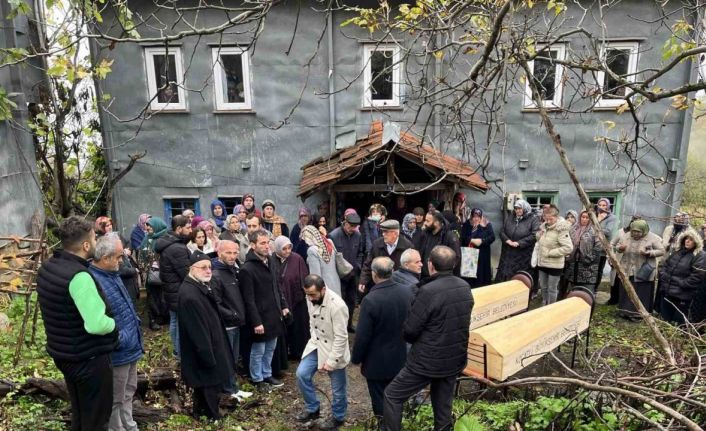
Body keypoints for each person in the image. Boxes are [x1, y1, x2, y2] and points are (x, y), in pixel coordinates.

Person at [37, 217, 117, 431]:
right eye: (94, 237)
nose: (96, 241)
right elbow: (97, 325)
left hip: (64, 354)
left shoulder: (48, 267)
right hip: (88, 358)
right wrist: (114, 325)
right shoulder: (79, 277)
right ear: (85, 245)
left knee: (81, 413)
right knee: (97, 419)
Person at [383, 246, 474, 431]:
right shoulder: (465, 287)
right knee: (443, 409)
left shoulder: (428, 291)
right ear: (454, 264)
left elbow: (410, 331)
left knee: (392, 395)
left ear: (430, 265)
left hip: (427, 361)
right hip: (453, 360)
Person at [89, 234, 143, 431]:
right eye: (119, 257)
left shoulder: (112, 274)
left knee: (129, 391)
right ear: (105, 258)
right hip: (117, 351)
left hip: (129, 346)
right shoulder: (94, 281)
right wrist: (120, 340)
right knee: (116, 398)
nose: (122, 261)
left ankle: (130, 425)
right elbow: (97, 321)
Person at [352, 257, 412, 420]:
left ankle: (384, 425)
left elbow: (363, 336)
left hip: (376, 362)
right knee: (396, 397)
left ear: (374, 274)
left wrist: (356, 358)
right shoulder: (406, 292)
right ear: (392, 272)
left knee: (380, 400)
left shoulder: (370, 300)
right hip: (400, 357)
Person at [178, 251, 234, 420]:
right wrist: (207, 356)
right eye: (203, 267)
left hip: (210, 345)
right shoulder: (190, 294)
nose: (208, 271)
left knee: (208, 384)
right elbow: (197, 331)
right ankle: (211, 416)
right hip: (204, 350)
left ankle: (203, 413)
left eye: (209, 267)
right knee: (208, 383)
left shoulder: (199, 287)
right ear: (191, 269)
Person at [295, 274, 350, 430]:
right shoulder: (310, 297)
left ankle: (338, 418)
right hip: (317, 344)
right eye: (307, 294)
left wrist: (331, 361)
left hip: (335, 349)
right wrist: (314, 339)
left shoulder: (337, 306)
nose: (310, 298)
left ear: (323, 289)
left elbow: (341, 337)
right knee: (301, 374)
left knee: (338, 389)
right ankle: (313, 408)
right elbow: (312, 323)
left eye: (313, 294)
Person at [239, 229, 290, 388]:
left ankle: (267, 374)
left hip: (274, 314)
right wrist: (256, 322)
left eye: (268, 242)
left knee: (270, 348)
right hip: (260, 317)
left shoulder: (271, 261)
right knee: (258, 351)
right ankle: (257, 379)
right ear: (253, 245)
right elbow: (248, 299)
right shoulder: (247, 269)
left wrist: (283, 306)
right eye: (262, 243)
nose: (267, 246)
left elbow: (277, 287)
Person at [210, 240, 253, 401]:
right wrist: (233, 315)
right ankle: (228, 390)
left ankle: (233, 387)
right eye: (228, 252)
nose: (232, 256)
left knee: (234, 358)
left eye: (235, 252)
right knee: (227, 359)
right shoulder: (216, 275)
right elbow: (216, 303)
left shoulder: (233, 270)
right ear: (219, 252)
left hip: (237, 323)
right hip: (228, 325)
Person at [155, 215, 193, 358]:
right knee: (179, 323)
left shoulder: (169, 243)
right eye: (188, 228)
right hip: (178, 291)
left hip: (171, 291)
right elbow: (186, 273)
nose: (191, 230)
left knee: (175, 321)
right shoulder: (177, 248)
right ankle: (180, 353)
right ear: (179, 229)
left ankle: (177, 351)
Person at [614, 219, 665, 319]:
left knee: (641, 292)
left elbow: (661, 251)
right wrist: (620, 248)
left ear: (644, 231)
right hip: (627, 268)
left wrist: (649, 253)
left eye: (638, 232)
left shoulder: (653, 238)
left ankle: (638, 314)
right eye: (633, 231)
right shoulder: (626, 236)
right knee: (626, 290)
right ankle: (624, 311)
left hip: (643, 270)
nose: (635, 234)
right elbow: (617, 246)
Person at [272, 236, 310, 359]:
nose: (288, 251)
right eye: (284, 249)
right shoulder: (271, 260)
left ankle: (298, 352)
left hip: (296, 299)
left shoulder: (297, 259)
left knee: (299, 327)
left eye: (289, 248)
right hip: (280, 300)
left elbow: (304, 277)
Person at [659, 229, 706, 324]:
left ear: (696, 242)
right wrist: (663, 276)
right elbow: (665, 265)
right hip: (667, 291)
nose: (687, 241)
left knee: (678, 323)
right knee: (665, 321)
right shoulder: (677, 252)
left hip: (682, 295)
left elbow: (697, 276)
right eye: (686, 238)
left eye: (691, 239)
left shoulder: (700, 255)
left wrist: (682, 283)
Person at [328, 212, 364, 332]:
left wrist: (357, 266)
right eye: (350, 226)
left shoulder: (358, 235)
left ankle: (348, 324)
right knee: (339, 302)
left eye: (355, 227)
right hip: (339, 276)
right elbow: (330, 257)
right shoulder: (334, 235)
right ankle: (339, 326)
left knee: (351, 301)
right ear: (345, 222)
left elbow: (360, 253)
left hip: (353, 275)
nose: (352, 229)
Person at [359, 219, 414, 292]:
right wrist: (363, 281)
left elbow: (412, 268)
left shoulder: (407, 246)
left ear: (395, 234)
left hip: (399, 287)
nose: (383, 234)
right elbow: (368, 264)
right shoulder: (377, 244)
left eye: (386, 232)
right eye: (383, 231)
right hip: (380, 286)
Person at [535, 206, 574, 305]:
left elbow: (568, 248)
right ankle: (545, 302)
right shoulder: (544, 227)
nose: (548, 221)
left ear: (556, 217)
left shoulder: (561, 229)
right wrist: (539, 235)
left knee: (552, 288)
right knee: (543, 286)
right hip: (542, 263)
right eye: (546, 218)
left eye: (550, 219)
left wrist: (550, 253)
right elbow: (541, 242)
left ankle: (551, 307)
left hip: (555, 265)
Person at [495, 199, 540, 282]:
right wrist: (507, 240)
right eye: (516, 209)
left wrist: (519, 243)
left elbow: (534, 235)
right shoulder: (511, 217)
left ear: (525, 208)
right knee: (504, 272)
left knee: (518, 275)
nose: (517, 211)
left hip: (522, 254)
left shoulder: (533, 219)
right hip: (507, 252)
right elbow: (502, 231)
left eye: (519, 208)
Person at [138, 216, 169, 330]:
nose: (148, 227)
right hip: (150, 274)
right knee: (152, 297)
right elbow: (141, 255)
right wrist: (144, 270)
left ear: (157, 226)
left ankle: (165, 317)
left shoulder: (166, 238)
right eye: (147, 225)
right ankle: (153, 320)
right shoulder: (147, 239)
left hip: (165, 273)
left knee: (165, 296)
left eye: (150, 225)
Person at [415, 211, 462, 279]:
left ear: (436, 223)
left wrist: (443, 272)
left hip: (441, 278)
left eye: (428, 221)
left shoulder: (449, 237)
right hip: (424, 277)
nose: (425, 223)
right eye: (425, 220)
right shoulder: (425, 234)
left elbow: (456, 258)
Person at [564, 211, 603, 293]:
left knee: (587, 289)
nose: (584, 219)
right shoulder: (573, 229)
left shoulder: (595, 230)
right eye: (583, 217)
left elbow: (599, 246)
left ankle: (588, 303)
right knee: (574, 288)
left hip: (589, 264)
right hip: (574, 263)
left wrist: (589, 258)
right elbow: (568, 242)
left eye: (587, 217)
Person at [301, 225, 342, 296]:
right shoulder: (329, 242)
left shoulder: (312, 250)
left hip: (324, 289)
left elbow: (316, 277)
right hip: (335, 284)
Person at [460, 208, 495, 287]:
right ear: (471, 216)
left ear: (481, 216)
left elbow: (492, 237)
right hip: (470, 255)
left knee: (481, 274)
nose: (476, 219)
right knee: (469, 276)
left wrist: (482, 241)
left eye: (478, 217)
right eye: (474, 216)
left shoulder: (486, 224)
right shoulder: (467, 224)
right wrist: (472, 240)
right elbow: (463, 237)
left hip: (482, 254)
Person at [594, 198, 617, 292]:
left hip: (602, 248)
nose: (602, 207)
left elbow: (607, 231)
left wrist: (598, 222)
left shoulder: (611, 217)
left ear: (608, 206)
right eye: (600, 205)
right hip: (591, 246)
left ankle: (594, 289)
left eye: (604, 205)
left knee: (598, 271)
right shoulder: (594, 215)